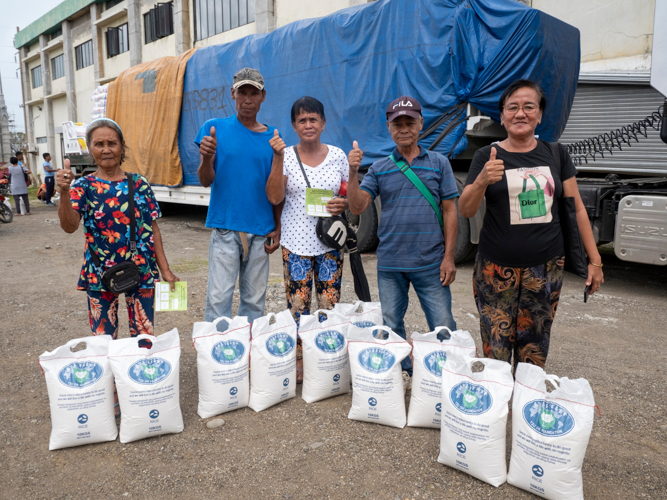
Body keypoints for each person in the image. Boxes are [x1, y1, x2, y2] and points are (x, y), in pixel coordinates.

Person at [458, 79, 604, 369]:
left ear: (540, 115)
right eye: (512, 107)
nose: (520, 113)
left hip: (545, 268)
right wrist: (483, 180)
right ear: (502, 116)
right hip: (495, 269)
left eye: (528, 107)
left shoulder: (556, 154)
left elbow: (576, 210)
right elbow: (465, 208)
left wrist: (596, 261)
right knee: (496, 350)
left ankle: (526, 403)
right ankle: (498, 404)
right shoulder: (486, 156)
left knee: (534, 349)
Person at [347, 96, 459, 387]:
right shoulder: (379, 168)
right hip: (391, 263)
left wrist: (449, 257)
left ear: (421, 124)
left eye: (411, 122)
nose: (405, 128)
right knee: (392, 325)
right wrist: (352, 171)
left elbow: (450, 210)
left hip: (431, 263)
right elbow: (358, 206)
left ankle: (447, 377)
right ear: (389, 127)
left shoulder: (439, 163)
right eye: (398, 124)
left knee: (443, 325)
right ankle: (405, 373)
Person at [56, 118, 179, 339]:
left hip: (141, 269)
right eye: (99, 144)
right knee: (104, 339)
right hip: (99, 272)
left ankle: (138, 371)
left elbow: (154, 229)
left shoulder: (140, 183)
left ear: (122, 146)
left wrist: (166, 270)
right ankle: (109, 374)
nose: (106, 150)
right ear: (90, 148)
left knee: (144, 336)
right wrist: (64, 193)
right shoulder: (83, 187)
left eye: (112, 143)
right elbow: (69, 226)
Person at [195, 67, 281, 325]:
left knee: (254, 300)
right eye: (241, 92)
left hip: (260, 230)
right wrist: (207, 157)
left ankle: (251, 355)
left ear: (263, 96)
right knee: (219, 297)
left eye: (253, 93)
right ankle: (217, 356)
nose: (247, 99)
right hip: (225, 228)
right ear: (232, 94)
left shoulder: (273, 137)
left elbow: (276, 188)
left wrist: (277, 227)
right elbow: (205, 180)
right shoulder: (214, 129)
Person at [266, 97, 350, 325]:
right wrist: (277, 157)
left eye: (313, 119)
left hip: (330, 243)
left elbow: (349, 194)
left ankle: (326, 356)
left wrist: (344, 202)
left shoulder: (338, 156)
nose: (308, 125)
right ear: (294, 126)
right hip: (295, 246)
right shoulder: (286, 156)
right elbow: (274, 197)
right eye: (302, 120)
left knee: (329, 309)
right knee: (297, 310)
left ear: (323, 123)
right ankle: (301, 357)